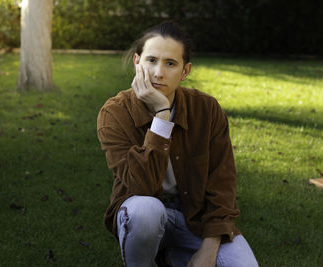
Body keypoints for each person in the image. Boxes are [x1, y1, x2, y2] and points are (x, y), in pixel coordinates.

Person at [97, 21, 258, 267]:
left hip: (194, 218)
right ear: (137, 63)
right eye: (151, 60)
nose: (158, 72)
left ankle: (173, 256)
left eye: (170, 63)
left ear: (185, 71)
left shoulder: (206, 109)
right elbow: (142, 186)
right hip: (143, 215)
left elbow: (222, 184)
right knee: (147, 210)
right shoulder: (115, 113)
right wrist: (161, 114)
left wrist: (209, 247)